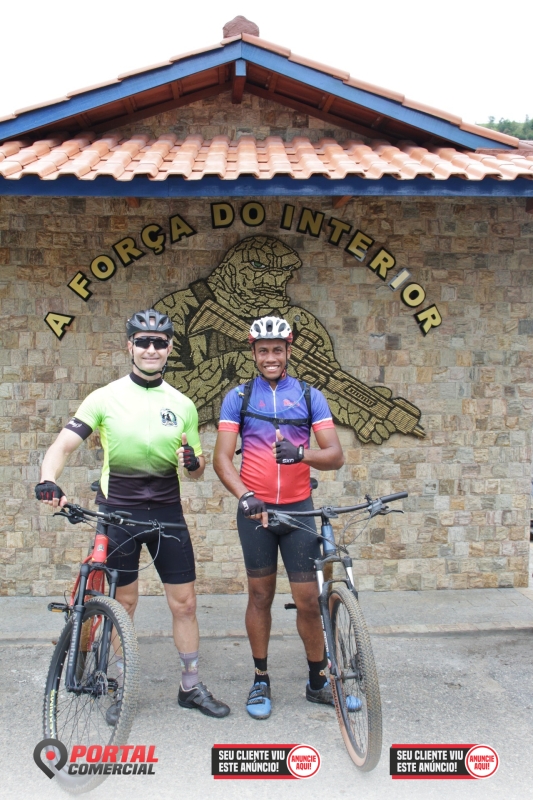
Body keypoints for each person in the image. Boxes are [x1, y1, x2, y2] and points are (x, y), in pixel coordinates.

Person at [35, 308, 230, 721]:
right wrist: (48, 479)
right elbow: (62, 445)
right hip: (119, 514)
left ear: (170, 348)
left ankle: (191, 686)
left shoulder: (182, 404)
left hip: (167, 515)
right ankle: (122, 685)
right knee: (123, 604)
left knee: (185, 604)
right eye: (143, 341)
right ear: (130, 346)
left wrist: (193, 463)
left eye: (159, 342)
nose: (151, 349)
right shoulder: (104, 397)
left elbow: (196, 469)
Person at [213, 315, 344, 719]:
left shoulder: (308, 395)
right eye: (263, 350)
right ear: (253, 353)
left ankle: (318, 681)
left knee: (308, 601)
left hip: (299, 510)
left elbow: (335, 455)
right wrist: (245, 496)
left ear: (288, 351)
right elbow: (221, 459)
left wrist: (301, 454)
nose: (270, 357)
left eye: (277, 350)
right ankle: (260, 678)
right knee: (260, 596)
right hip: (257, 512)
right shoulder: (238, 397)